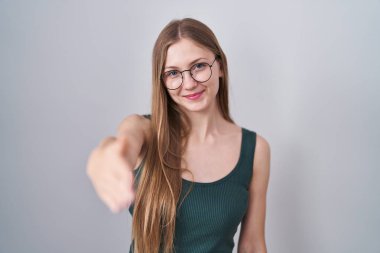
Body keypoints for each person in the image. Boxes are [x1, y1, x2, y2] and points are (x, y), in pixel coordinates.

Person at [86, 18, 270, 253]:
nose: (189, 83)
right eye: (173, 73)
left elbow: (252, 245)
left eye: (199, 66)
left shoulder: (255, 150)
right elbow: (120, 144)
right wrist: (102, 157)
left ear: (220, 66)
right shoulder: (145, 130)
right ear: (162, 82)